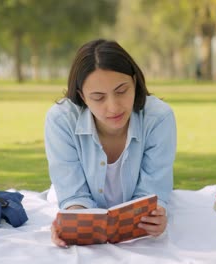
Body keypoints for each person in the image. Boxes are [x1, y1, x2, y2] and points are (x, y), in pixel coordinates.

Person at [44, 39, 177, 247]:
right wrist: (73, 222)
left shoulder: (159, 118)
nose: (113, 107)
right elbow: (74, 195)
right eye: (98, 97)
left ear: (134, 82)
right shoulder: (60, 120)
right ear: (82, 97)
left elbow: (153, 191)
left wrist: (156, 215)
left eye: (122, 91)